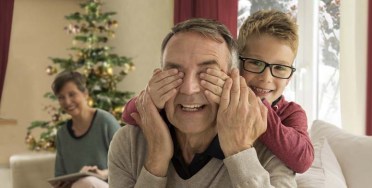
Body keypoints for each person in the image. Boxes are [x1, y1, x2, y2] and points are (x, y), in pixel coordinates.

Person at [108, 18, 296, 187]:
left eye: (207, 74)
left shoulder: (271, 150)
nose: (189, 89)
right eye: (175, 73)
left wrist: (239, 152)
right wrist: (156, 159)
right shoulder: (129, 143)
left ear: (234, 80)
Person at [52, 71, 120, 188]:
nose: (67, 102)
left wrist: (103, 174)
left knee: (87, 182)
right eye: (61, 97)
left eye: (72, 94)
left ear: (85, 94)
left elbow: (129, 166)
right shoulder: (62, 134)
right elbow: (59, 177)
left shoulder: (105, 122)